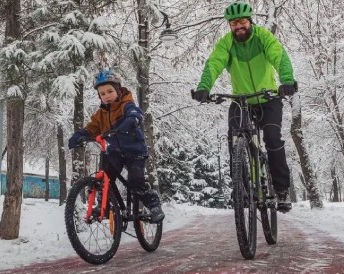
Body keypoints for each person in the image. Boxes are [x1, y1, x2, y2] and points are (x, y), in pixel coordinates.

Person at [191, 2, 297, 212]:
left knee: (273, 139)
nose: (238, 26)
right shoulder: (226, 44)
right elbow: (213, 64)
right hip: (241, 101)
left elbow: (280, 56)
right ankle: (242, 189)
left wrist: (286, 81)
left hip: (268, 98)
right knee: (234, 141)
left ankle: (281, 190)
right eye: (233, 23)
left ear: (250, 21)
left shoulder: (263, 37)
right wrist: (204, 87)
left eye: (242, 22)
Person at [68, 69, 165, 222]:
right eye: (102, 94)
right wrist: (80, 135)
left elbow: (136, 114)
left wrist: (131, 120)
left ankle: (153, 205)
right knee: (106, 177)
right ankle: (104, 207)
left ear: (118, 90)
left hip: (135, 151)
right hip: (115, 152)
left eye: (109, 91)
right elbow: (92, 128)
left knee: (136, 180)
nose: (106, 96)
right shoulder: (101, 114)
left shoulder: (126, 104)